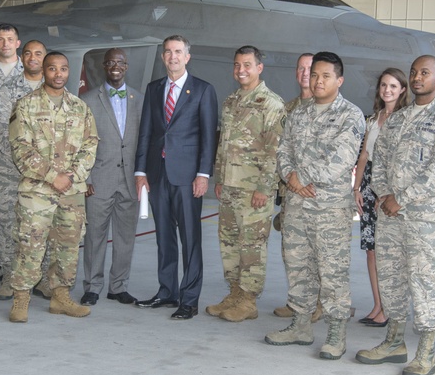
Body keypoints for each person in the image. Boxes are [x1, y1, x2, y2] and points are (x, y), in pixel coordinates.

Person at [356, 56, 435, 375]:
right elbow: (381, 160)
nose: (418, 78)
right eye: (415, 73)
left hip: (423, 220)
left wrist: (400, 199)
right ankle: (393, 342)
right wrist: (384, 193)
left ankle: (426, 353)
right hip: (390, 216)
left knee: (424, 283)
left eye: (425, 73)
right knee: (391, 279)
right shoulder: (397, 119)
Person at [265, 52, 365, 360]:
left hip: (329, 208)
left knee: (332, 270)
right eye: (314, 75)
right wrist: (290, 178)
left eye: (325, 76)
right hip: (297, 205)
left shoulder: (351, 114)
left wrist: (301, 177)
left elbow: (341, 159)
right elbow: (283, 150)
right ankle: (300, 324)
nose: (318, 81)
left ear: (339, 80)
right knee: (297, 265)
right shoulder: (298, 112)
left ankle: (336, 332)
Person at [6, 52, 99, 323]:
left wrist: (72, 175)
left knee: (68, 247)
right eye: (52, 69)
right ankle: (21, 298)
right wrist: (51, 176)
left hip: (71, 191)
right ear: (43, 72)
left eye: (63, 69)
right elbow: (20, 148)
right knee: (30, 246)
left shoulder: (79, 107)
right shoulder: (25, 105)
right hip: (37, 191)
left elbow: (90, 144)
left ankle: (60, 297)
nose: (58, 74)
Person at [134, 35, 219, 321]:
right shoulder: (154, 88)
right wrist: (141, 171)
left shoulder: (203, 91)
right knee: (164, 237)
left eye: (178, 52)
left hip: (188, 178)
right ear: (163, 57)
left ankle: (189, 298)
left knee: (190, 239)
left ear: (187, 57)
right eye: (168, 52)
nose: (173, 56)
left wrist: (203, 174)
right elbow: (146, 132)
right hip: (158, 176)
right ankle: (167, 291)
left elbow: (209, 137)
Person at [208, 46, 286, 322]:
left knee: (252, 246)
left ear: (259, 68)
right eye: (237, 65)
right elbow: (223, 145)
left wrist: (265, 188)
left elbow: (275, 150)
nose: (241, 70)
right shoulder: (231, 101)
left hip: (254, 190)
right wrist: (219, 178)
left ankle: (249, 301)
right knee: (230, 244)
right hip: (230, 186)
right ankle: (235, 293)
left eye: (247, 65)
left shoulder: (271, 104)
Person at [0, 25, 44, 301]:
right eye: (1, 39)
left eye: (10, 39)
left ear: (18, 43)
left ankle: (15, 268)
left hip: (19, 160)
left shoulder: (28, 74)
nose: (5, 43)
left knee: (14, 215)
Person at [79, 48, 143, 306]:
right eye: (110, 63)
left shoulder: (139, 99)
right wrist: (85, 177)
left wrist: (143, 176)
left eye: (120, 62)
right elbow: (80, 142)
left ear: (126, 66)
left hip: (129, 181)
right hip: (98, 180)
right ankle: (93, 286)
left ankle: (118, 286)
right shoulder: (87, 99)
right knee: (94, 236)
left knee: (126, 237)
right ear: (104, 66)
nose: (115, 66)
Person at [353, 68, 409, 327]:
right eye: (384, 85)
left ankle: (389, 308)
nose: (387, 90)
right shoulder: (372, 120)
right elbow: (364, 155)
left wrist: (386, 192)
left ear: (403, 90)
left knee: (389, 253)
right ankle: (377, 305)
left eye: (393, 86)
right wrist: (356, 189)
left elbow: (401, 161)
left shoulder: (405, 120)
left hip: (390, 188)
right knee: (372, 251)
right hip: (368, 186)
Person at [272, 53, 319, 320]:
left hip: (315, 194)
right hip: (290, 192)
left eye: (310, 69)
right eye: (300, 68)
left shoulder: (325, 106)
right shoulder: (288, 109)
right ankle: (297, 301)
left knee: (316, 251)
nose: (304, 73)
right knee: (292, 252)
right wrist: (290, 179)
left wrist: (303, 182)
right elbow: (281, 150)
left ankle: (318, 303)